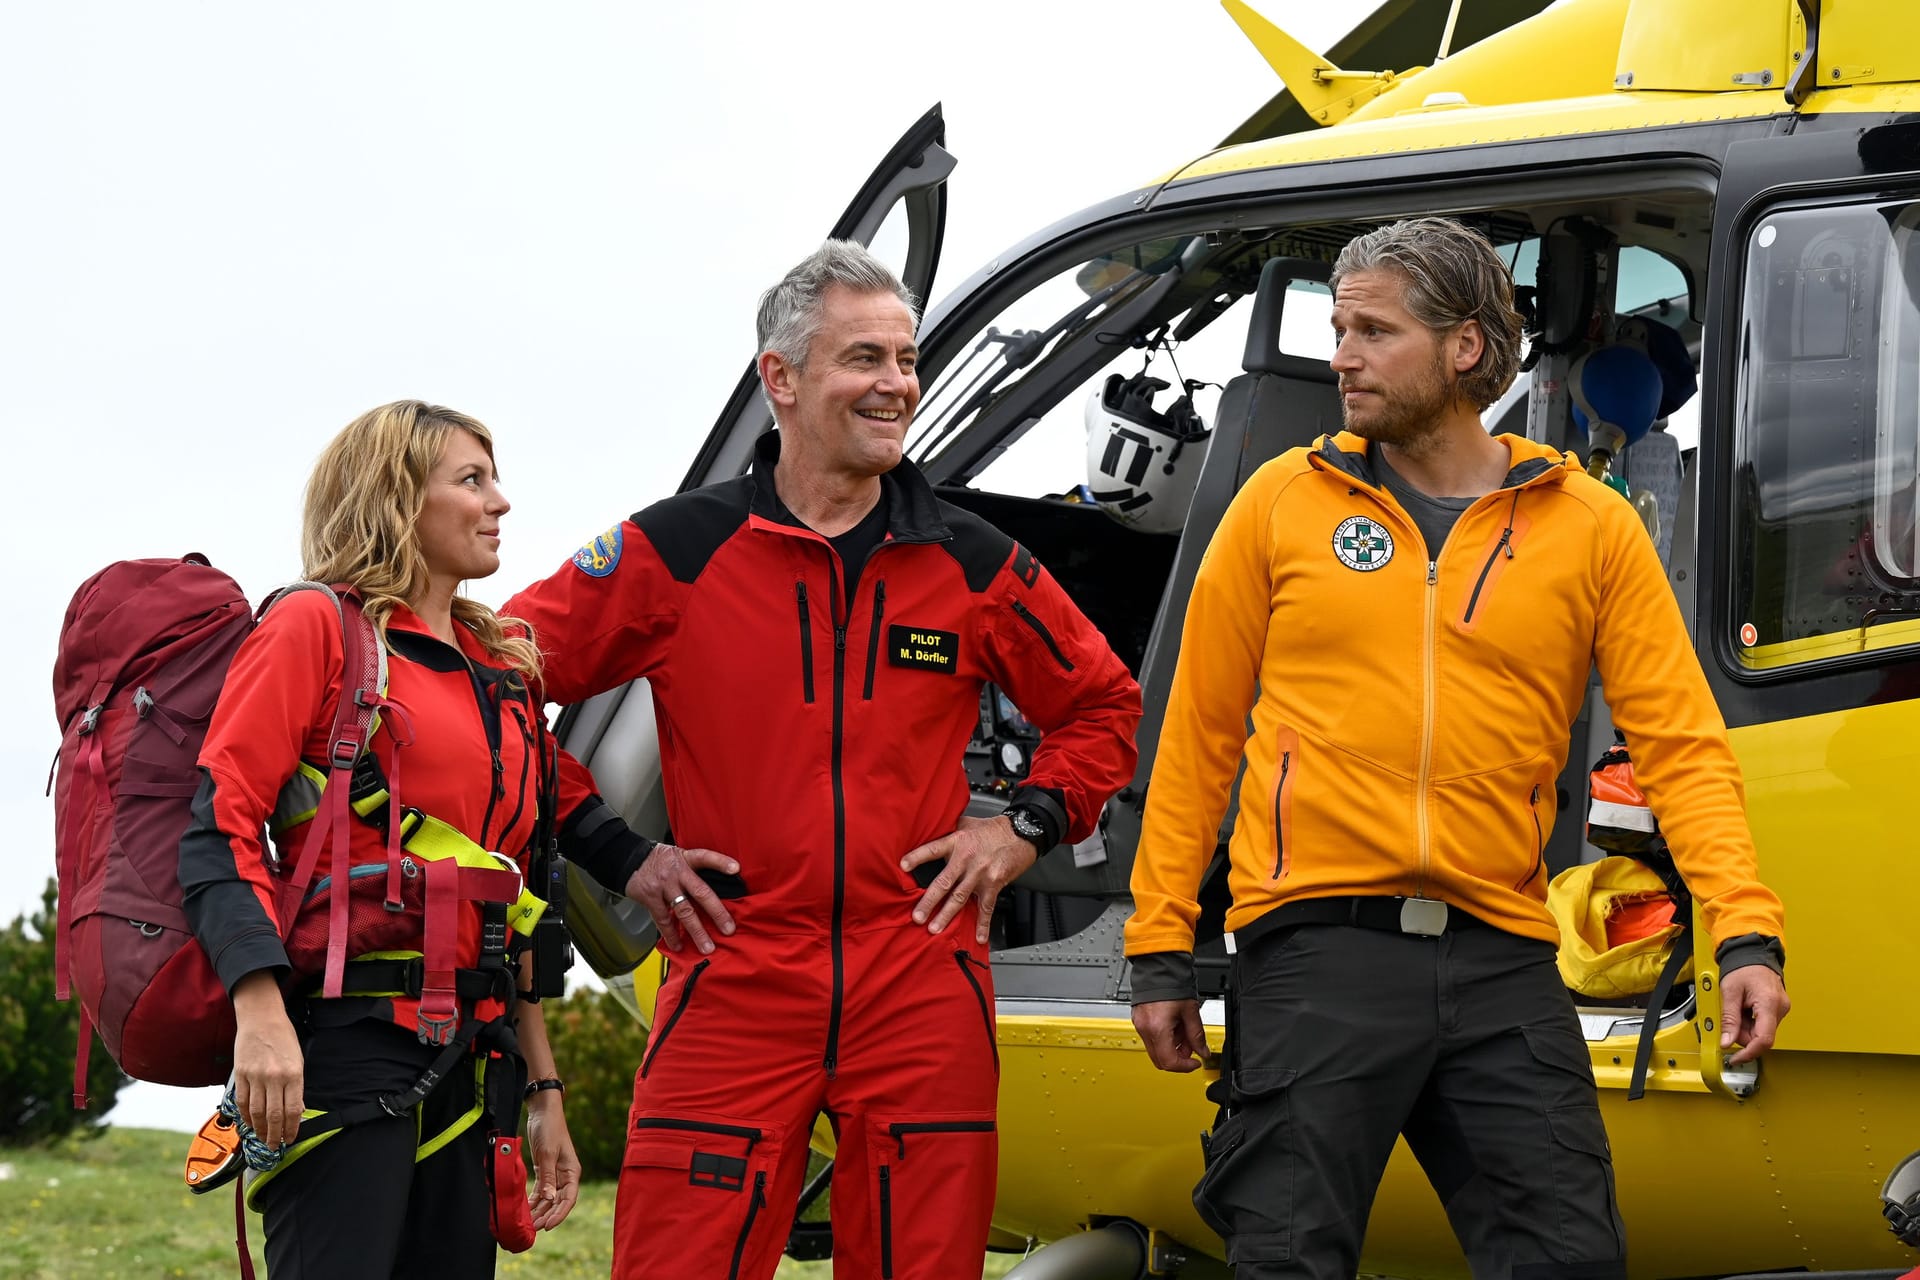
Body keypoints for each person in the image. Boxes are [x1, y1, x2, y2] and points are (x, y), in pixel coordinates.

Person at [1124, 217, 1792, 1279]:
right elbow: (1198, 738)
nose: (1341, 354)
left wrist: (1743, 930)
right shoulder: (1279, 503)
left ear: (1467, 346)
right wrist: (1158, 940)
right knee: (1286, 1262)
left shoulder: (1590, 524)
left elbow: (1681, 743)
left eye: (1374, 330)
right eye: (1340, 327)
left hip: (1503, 957)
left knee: (1569, 1260)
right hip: (1314, 952)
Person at [504, 240, 1143, 1280]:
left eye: (906, 359)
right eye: (865, 358)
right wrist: (618, 850)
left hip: (920, 970)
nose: (897, 384)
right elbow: (484, 684)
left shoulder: (973, 561)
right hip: (733, 966)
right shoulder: (678, 548)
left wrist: (1023, 825)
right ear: (782, 378)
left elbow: (1106, 704)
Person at [180, 401, 658, 1278]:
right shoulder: (316, 627)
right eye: (472, 480)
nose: (501, 501)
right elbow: (221, 822)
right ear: (397, 499)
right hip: (343, 1041)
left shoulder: (502, 673)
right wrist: (258, 1015)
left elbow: (511, 896)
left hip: (477, 1066)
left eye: (495, 477)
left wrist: (543, 1085)